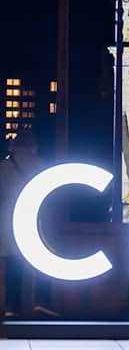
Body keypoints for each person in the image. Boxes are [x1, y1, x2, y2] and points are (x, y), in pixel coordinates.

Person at [0, 131, 58, 319]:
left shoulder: (4, 167)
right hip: (35, 223)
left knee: (13, 266)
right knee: (42, 263)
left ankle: (11, 307)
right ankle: (41, 301)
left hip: (9, 224)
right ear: (35, 146)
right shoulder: (41, 166)